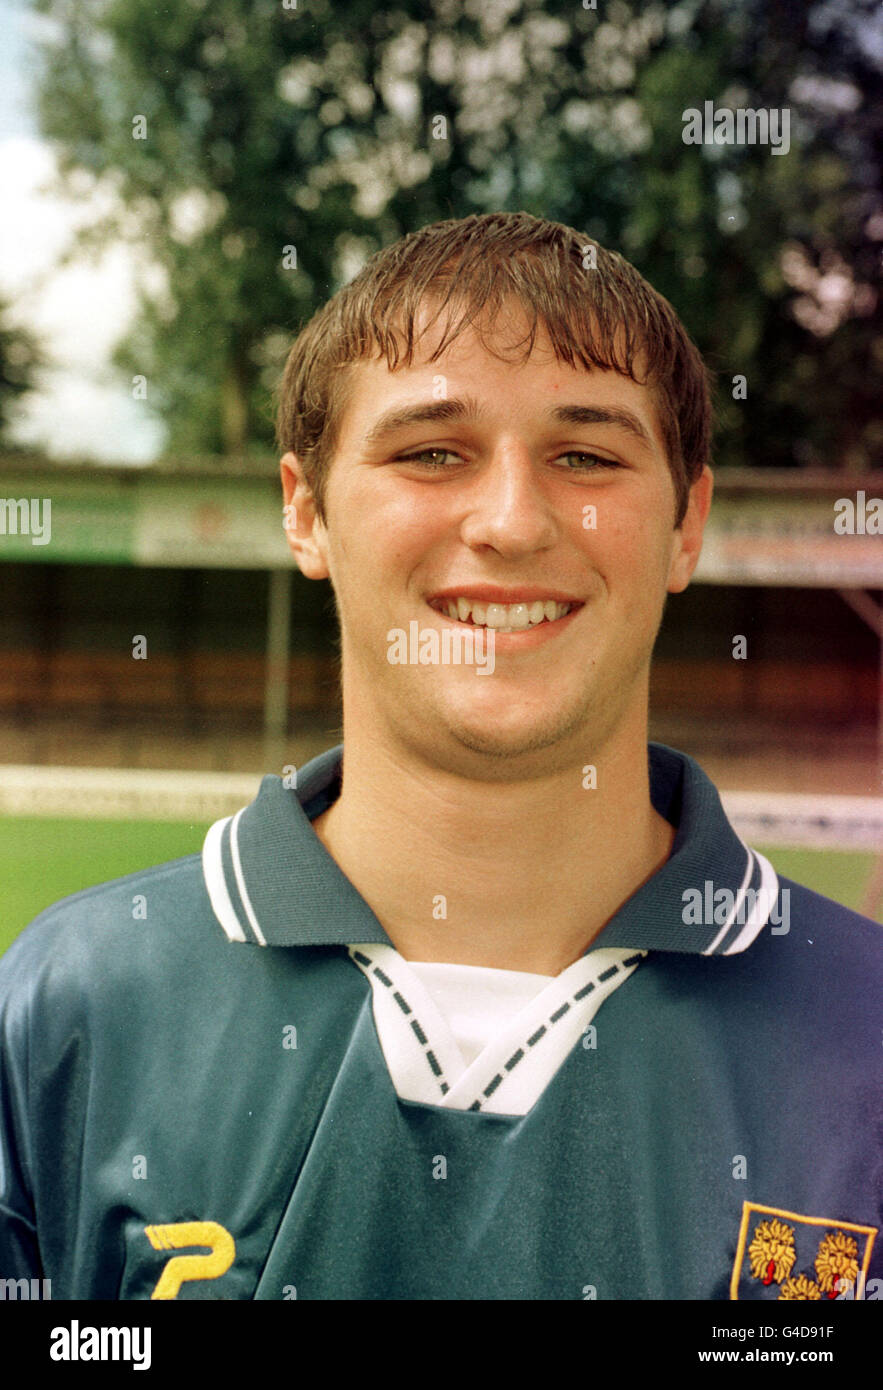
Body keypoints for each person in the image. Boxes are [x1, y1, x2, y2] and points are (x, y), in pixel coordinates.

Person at [1, 212, 879, 1302]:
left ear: (685, 525)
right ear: (305, 511)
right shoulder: (70, 1007)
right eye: (430, 452)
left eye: (585, 455)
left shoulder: (866, 1035)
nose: (510, 522)